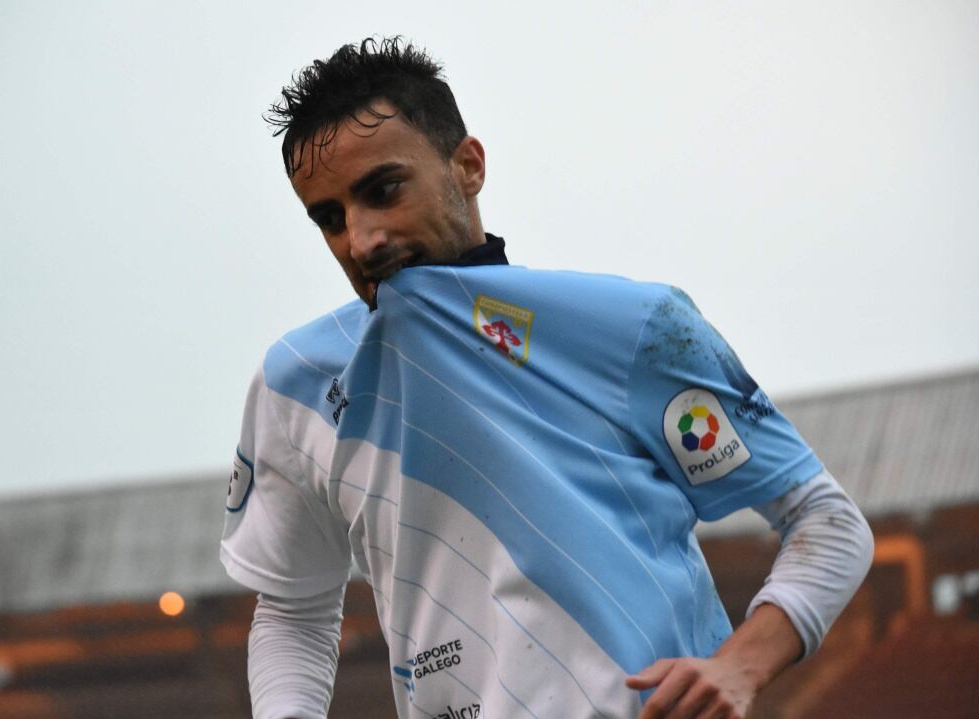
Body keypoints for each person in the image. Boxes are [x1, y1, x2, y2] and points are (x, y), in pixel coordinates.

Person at [220, 37, 874, 719]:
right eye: (330, 218)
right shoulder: (296, 385)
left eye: (383, 191)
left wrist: (740, 666)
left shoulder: (634, 326)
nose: (362, 240)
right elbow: (294, 610)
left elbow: (828, 522)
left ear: (468, 165)